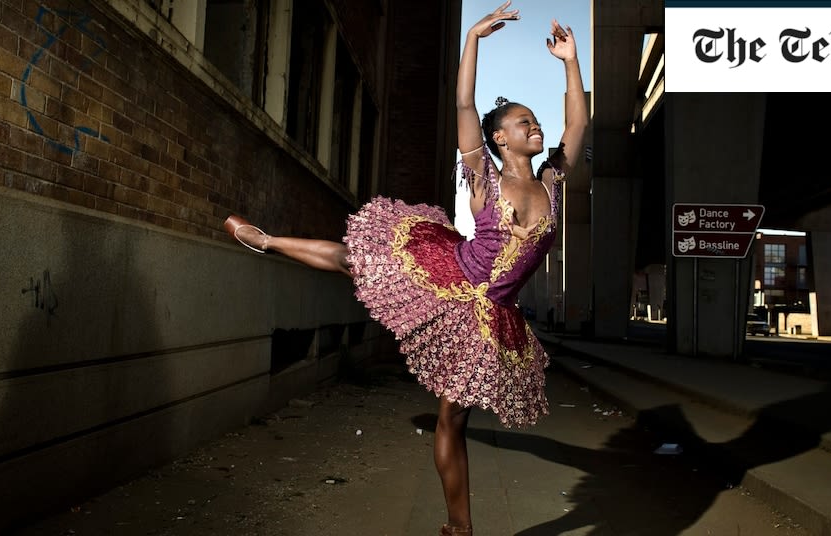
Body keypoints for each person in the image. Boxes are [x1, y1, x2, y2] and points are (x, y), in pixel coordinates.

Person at [222, 2, 587, 534]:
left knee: (452, 418)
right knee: (357, 260)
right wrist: (474, 39)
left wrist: (571, 62)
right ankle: (268, 239)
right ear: (500, 138)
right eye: (523, 122)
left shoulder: (553, 182)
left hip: (491, 318)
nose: (536, 127)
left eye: (535, 121)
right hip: (449, 274)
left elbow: (578, 121)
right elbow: (463, 101)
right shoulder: (483, 174)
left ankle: (457, 527)